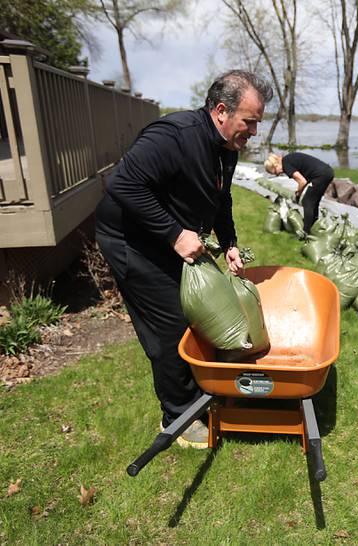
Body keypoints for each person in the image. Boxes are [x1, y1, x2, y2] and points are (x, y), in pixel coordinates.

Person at [94, 70, 272, 449]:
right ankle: (178, 415)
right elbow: (123, 185)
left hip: (170, 238)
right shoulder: (173, 136)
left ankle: (206, 390)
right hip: (133, 241)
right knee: (169, 326)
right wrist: (174, 234)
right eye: (250, 122)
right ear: (222, 110)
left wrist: (230, 243)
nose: (254, 132)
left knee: (201, 311)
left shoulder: (226, 148)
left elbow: (220, 199)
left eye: (257, 124)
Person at [264, 152, 334, 233]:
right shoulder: (288, 159)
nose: (279, 174)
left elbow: (302, 181)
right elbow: (305, 179)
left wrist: (299, 193)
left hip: (320, 175)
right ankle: (314, 227)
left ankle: (305, 232)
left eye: (276, 172)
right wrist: (299, 191)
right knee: (314, 201)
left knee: (307, 201)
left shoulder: (286, 164)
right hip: (327, 172)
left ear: (275, 165)